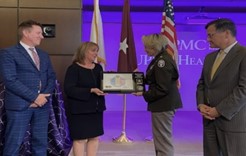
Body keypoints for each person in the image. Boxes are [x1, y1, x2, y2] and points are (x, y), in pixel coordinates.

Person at [0, 20, 56, 155]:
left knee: (41, 143)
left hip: (42, 105)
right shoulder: (8, 53)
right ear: (26, 33)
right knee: (14, 143)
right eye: (38, 33)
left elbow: (51, 77)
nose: (42, 36)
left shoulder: (43, 54)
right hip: (20, 105)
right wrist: (34, 97)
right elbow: (10, 80)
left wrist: (43, 97)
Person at [196, 18, 246, 156]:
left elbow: (243, 90)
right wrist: (201, 104)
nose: (207, 39)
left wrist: (219, 110)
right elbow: (202, 84)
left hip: (232, 123)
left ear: (226, 33)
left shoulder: (243, 54)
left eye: (210, 35)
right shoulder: (209, 57)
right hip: (209, 123)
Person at [133, 33, 182, 156]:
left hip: (163, 105)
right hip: (162, 104)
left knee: (163, 141)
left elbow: (162, 88)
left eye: (147, 47)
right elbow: (154, 80)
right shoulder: (159, 59)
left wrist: (144, 93)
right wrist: (138, 78)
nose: (145, 50)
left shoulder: (162, 62)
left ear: (155, 47)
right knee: (160, 139)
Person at [64, 42, 106, 156]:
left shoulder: (98, 68)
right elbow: (69, 89)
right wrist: (90, 90)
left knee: (94, 138)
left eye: (97, 50)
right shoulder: (73, 69)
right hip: (79, 110)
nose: (96, 53)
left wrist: (108, 87)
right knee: (80, 139)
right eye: (93, 50)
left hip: (96, 109)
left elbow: (102, 86)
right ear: (84, 52)